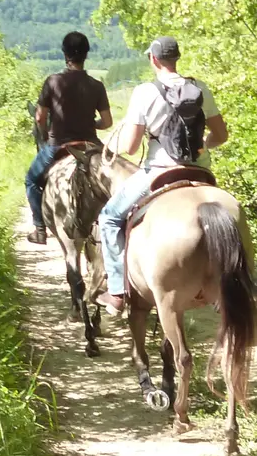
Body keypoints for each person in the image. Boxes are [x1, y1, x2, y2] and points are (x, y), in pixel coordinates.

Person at [95, 36, 228, 313]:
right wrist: (203, 144)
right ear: (176, 58)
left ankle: (118, 292)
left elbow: (131, 148)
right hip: (200, 170)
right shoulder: (199, 87)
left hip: (159, 170)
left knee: (108, 218)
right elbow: (221, 135)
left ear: (154, 60)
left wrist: (113, 143)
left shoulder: (145, 92)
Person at [25, 31, 113, 244]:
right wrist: (90, 123)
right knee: (112, 181)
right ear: (86, 55)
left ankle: (39, 229)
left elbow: (39, 117)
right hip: (91, 145)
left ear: (65, 55)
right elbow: (107, 122)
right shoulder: (96, 85)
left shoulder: (53, 81)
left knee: (31, 180)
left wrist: (46, 135)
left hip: (58, 145)